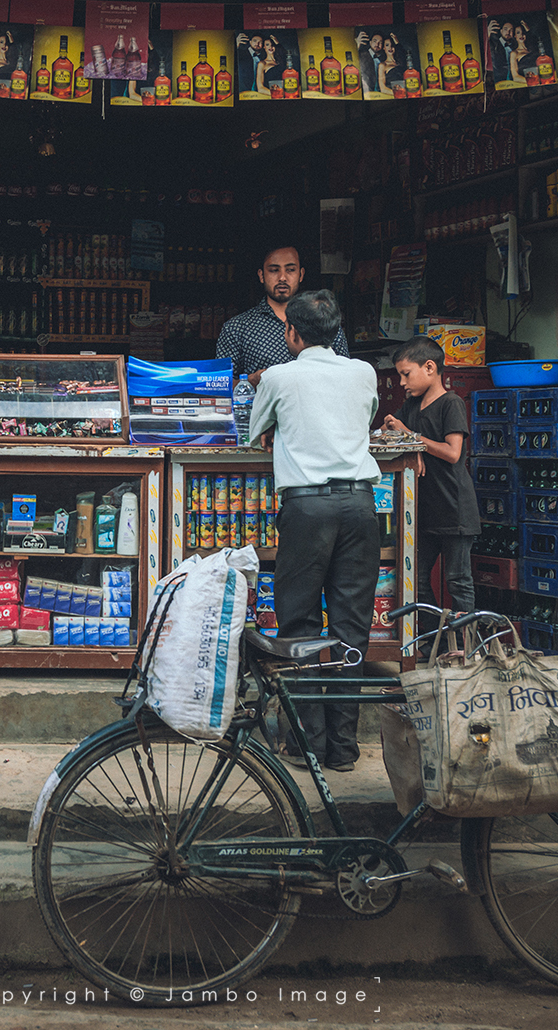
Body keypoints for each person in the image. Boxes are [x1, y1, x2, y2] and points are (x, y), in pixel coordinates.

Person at [247, 290, 381, 773]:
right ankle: (344, 749)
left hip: (306, 509)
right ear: (336, 332)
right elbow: (359, 421)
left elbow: (253, 429)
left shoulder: (280, 375)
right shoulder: (363, 371)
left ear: (293, 334)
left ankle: (308, 746)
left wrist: (278, 427)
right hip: (361, 506)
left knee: (300, 625)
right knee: (351, 629)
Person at [381, 337, 479, 652]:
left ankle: (466, 650)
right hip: (423, 509)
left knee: (457, 582)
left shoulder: (450, 403)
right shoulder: (411, 405)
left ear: (430, 367)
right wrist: (408, 441)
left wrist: (414, 439)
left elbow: (453, 453)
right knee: (417, 580)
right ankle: (435, 642)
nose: (401, 382)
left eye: (406, 374)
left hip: (455, 508)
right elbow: (393, 432)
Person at [216, 244, 350, 386]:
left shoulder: (323, 320)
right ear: (261, 275)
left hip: (315, 406)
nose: (282, 278)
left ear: (301, 274)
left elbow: (345, 373)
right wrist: (250, 381)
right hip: (263, 407)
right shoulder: (237, 328)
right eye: (274, 270)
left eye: (290, 270)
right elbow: (218, 385)